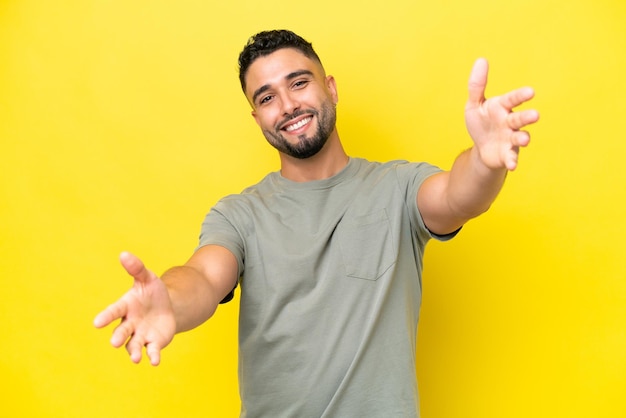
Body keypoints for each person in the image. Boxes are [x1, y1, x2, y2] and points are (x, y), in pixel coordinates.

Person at [94, 29, 539, 417]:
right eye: (266, 97)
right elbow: (204, 277)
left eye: (299, 83)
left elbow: (457, 196)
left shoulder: (397, 187)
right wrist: (168, 302)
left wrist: (484, 160)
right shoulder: (240, 214)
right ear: (256, 118)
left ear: (330, 87)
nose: (287, 105)